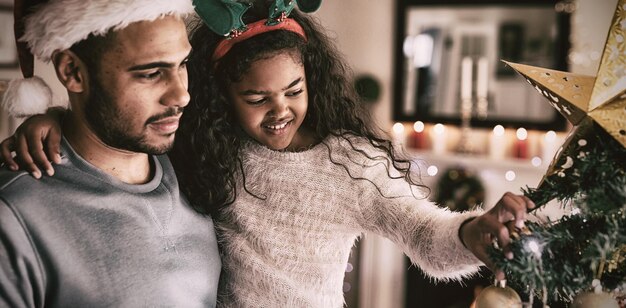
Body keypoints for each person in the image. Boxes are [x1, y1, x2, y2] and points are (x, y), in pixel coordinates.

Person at [1, 1, 534, 307]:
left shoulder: (350, 164)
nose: (279, 111)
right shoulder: (200, 147)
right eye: (257, 98)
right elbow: (108, 136)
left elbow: (424, 235)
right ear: (225, 99)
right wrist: (49, 119)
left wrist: (474, 234)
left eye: (295, 91)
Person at [0, 0, 221, 306]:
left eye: (182, 64)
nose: (181, 94)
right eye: (151, 73)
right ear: (73, 72)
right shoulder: (14, 212)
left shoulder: (201, 159)